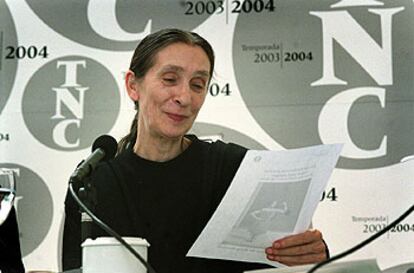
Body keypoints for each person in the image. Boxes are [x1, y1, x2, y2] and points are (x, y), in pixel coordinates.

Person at [63, 28, 329, 273]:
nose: (185, 97)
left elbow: (290, 259)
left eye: (197, 85)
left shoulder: (237, 169)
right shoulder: (92, 185)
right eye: (170, 79)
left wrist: (312, 254)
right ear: (133, 85)